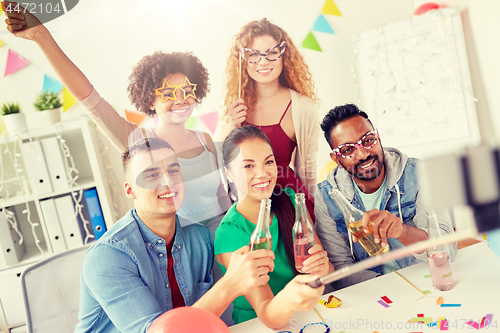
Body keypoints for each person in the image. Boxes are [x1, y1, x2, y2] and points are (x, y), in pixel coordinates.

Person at [2, 1, 230, 234]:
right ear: (150, 99)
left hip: (226, 244)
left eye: (187, 91)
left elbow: (223, 200)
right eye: (169, 93)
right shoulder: (140, 140)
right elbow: (89, 99)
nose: (181, 100)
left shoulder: (205, 139)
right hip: (186, 254)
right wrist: (42, 36)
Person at [73, 137, 275, 332]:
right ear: (130, 190)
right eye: (151, 175)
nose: (168, 181)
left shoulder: (200, 239)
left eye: (173, 171)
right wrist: (229, 285)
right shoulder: (107, 257)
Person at [315, 104, 457, 290]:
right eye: (348, 150)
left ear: (378, 137)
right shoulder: (326, 196)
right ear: (337, 159)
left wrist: (402, 231)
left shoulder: (420, 174)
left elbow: (446, 250)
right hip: (373, 293)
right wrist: (390, 289)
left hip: (426, 283)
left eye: (367, 140)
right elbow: (341, 269)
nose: (363, 154)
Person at [215, 126, 334, 328]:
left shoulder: (291, 201)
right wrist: (294, 292)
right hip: (258, 326)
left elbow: (327, 271)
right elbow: (268, 314)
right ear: (229, 173)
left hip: (308, 315)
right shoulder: (229, 233)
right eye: (248, 166)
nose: (262, 174)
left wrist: (323, 268)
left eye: (268, 162)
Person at [214, 18, 320, 220]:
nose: (263, 62)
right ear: (243, 60)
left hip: (287, 201)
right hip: (247, 204)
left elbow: (308, 168)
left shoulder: (303, 108)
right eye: (253, 55)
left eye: (272, 53)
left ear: (284, 55)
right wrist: (231, 125)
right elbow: (215, 160)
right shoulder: (234, 104)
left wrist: (315, 216)